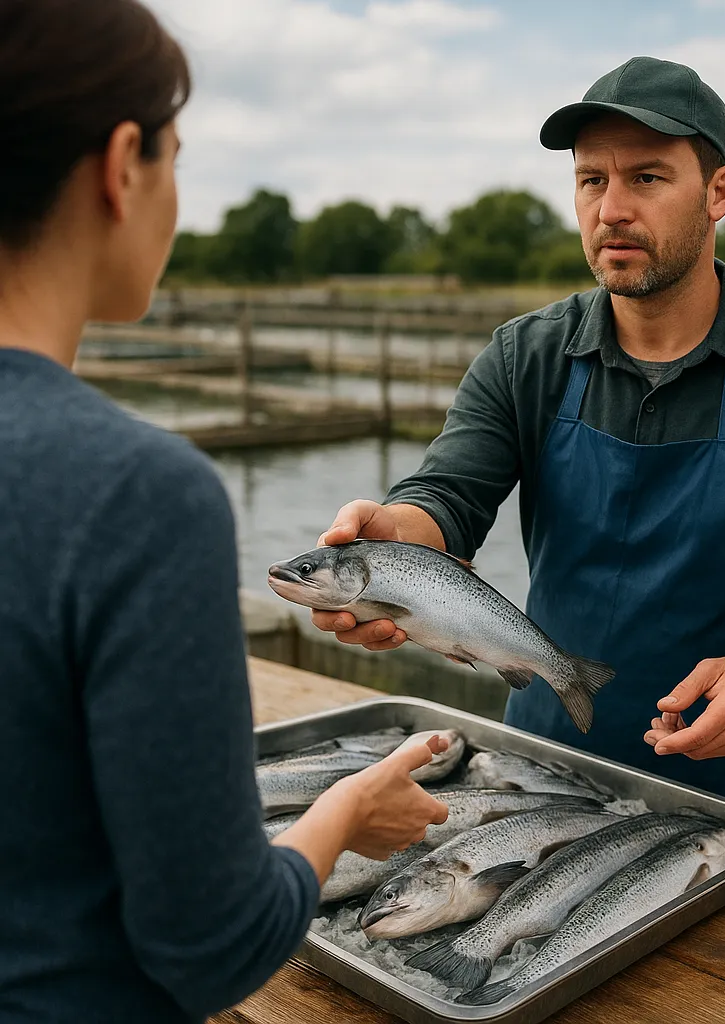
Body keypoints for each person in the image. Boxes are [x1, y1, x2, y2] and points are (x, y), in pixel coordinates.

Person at [314, 57, 725, 827]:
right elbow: (447, 497)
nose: (611, 209)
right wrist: (387, 543)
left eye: (646, 178)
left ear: (719, 192)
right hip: (540, 779)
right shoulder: (524, 357)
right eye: (590, 181)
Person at [0, 2, 448, 1021]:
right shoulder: (136, 495)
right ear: (122, 165)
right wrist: (340, 812)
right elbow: (208, 943)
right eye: (176, 159)